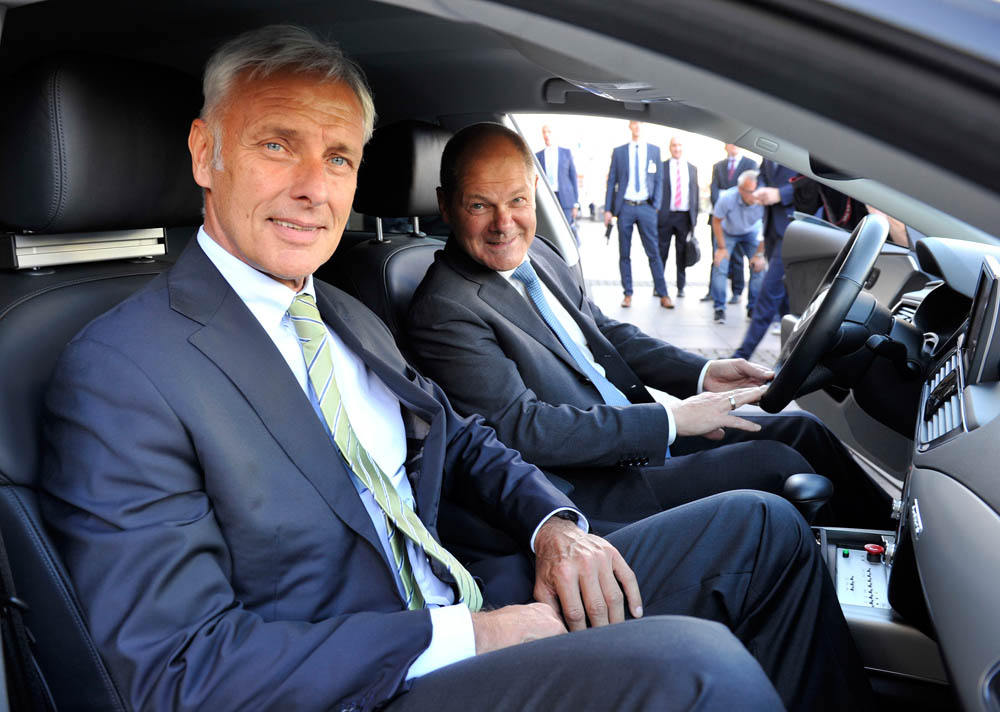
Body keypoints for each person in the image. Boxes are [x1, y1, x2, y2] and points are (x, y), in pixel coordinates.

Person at [38, 26, 875, 712]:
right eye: (277, 145)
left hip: (473, 586)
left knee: (763, 532)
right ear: (204, 153)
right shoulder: (123, 371)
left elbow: (464, 438)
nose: (313, 188)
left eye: (338, 158)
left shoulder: (343, 313)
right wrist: (469, 638)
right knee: (700, 671)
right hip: (371, 678)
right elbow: (180, 671)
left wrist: (555, 528)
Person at [407, 122, 891, 530]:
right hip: (592, 483)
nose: (504, 223)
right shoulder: (444, 306)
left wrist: (702, 374)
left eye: (516, 199)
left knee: (803, 430)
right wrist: (671, 419)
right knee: (777, 463)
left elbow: (603, 334)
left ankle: (895, 551)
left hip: (628, 433)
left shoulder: (538, 253)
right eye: (479, 205)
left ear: (533, 188)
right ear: (445, 205)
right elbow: (523, 428)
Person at [734, 159, 797, 359]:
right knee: (786, 300)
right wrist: (760, 189)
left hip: (794, 227)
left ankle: (741, 356)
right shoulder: (773, 149)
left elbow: (814, 183)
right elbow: (762, 174)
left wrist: (780, 194)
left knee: (769, 293)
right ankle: (790, 358)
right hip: (772, 227)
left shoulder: (805, 146)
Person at [603, 121, 670, 308]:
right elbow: (612, 181)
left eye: (640, 122)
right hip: (625, 207)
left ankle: (663, 293)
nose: (638, 126)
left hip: (647, 207)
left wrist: (655, 205)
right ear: (630, 126)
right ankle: (628, 294)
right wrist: (608, 209)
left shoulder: (654, 151)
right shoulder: (619, 152)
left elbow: (659, 179)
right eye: (634, 122)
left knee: (653, 252)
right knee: (624, 252)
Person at [702, 144, 758, 303]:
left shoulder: (750, 164)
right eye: (730, 143)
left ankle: (737, 291)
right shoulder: (719, 166)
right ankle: (713, 292)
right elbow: (714, 190)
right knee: (718, 256)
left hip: (742, 221)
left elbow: (750, 191)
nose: (733, 145)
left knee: (738, 258)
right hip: (721, 218)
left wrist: (729, 199)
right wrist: (723, 206)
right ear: (725, 146)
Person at [709, 170, 765, 324]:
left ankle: (753, 308)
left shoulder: (763, 199)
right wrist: (721, 248)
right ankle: (719, 308)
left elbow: (766, 228)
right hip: (728, 233)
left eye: (756, 190)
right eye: (750, 192)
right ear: (740, 189)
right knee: (720, 266)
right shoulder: (727, 197)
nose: (754, 195)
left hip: (752, 233)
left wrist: (759, 254)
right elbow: (716, 220)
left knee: (758, 269)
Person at [656, 136, 698, 298]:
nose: (677, 148)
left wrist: (694, 219)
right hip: (666, 216)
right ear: (669, 147)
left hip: (684, 217)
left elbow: (694, 193)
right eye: (674, 145)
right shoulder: (662, 166)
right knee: (662, 252)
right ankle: (659, 287)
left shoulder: (692, 168)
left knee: (682, 253)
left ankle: (681, 287)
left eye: (679, 145)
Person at [535, 125, 579, 243]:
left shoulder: (566, 153)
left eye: (549, 132)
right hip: (548, 198)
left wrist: (575, 203)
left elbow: (573, 178)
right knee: (551, 231)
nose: (546, 135)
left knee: (567, 231)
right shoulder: (538, 156)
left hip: (566, 199)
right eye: (544, 132)